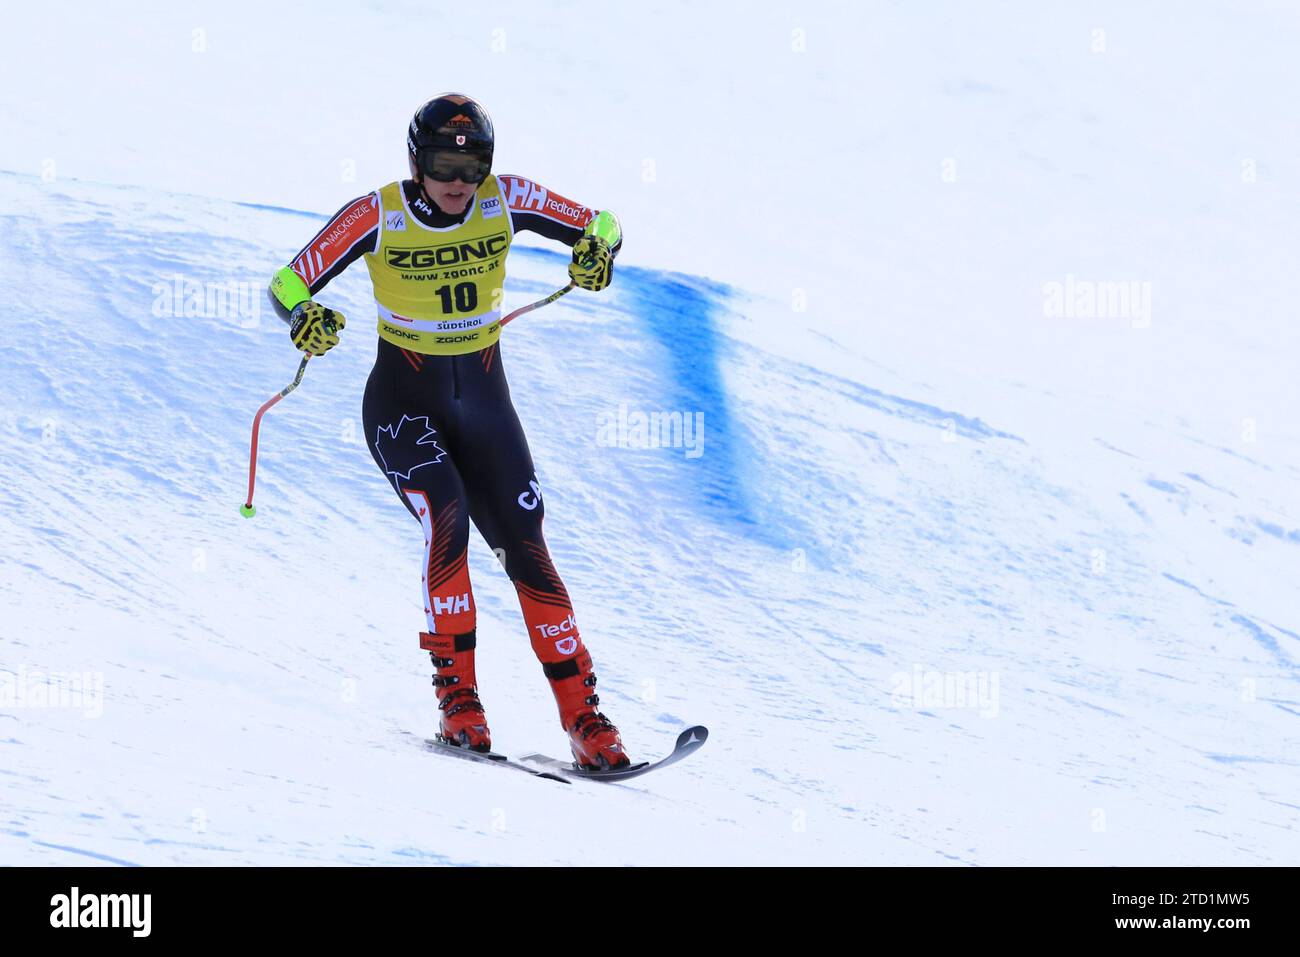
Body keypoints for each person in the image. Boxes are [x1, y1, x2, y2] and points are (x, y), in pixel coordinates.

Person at [265, 93, 630, 770]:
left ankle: (584, 717)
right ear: (415, 162)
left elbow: (603, 222)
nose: (459, 184)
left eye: (473, 168)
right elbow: (287, 281)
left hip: (487, 404)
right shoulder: (377, 214)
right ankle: (458, 699)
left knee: (527, 542)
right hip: (405, 406)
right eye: (441, 166)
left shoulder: (507, 198)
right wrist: (301, 316)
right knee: (448, 516)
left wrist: (597, 251)